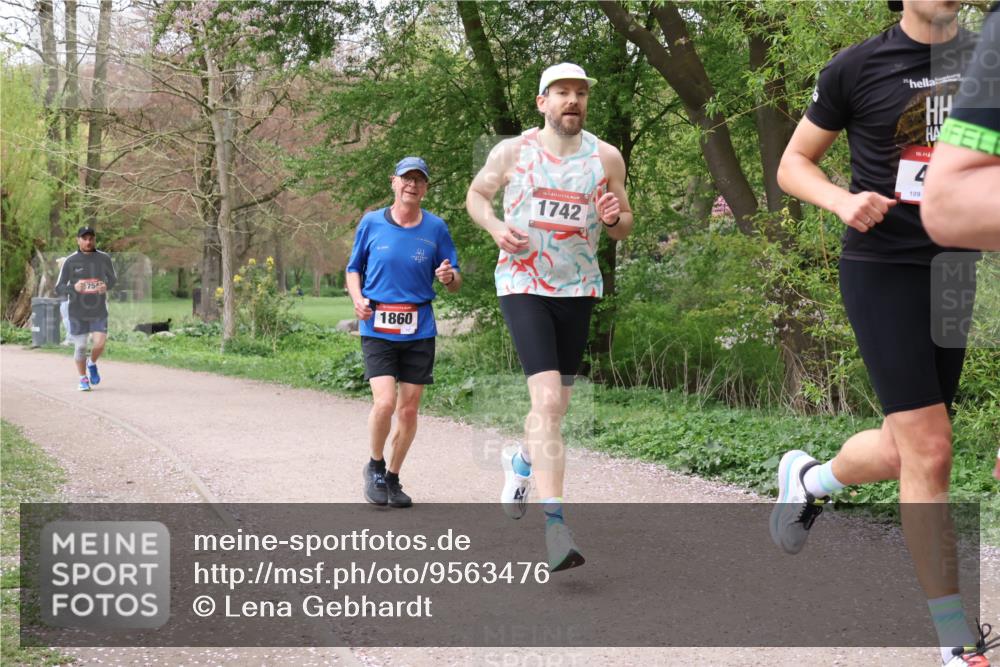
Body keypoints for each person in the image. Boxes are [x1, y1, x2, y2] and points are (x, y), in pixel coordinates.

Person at [773, 2, 994, 665]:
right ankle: (955, 641)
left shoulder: (988, 57)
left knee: (906, 452)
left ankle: (810, 480)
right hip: (882, 268)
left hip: (955, 272)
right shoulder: (856, 67)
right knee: (932, 449)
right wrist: (841, 200)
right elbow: (793, 163)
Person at [466, 63, 633, 572]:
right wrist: (495, 228)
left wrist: (613, 219)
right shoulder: (513, 151)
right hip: (523, 283)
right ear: (543, 102)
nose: (573, 100)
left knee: (555, 407)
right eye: (562, 92)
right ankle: (556, 526)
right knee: (545, 399)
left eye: (580, 93)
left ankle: (521, 460)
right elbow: (476, 196)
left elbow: (624, 223)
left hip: (577, 288)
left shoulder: (605, 156)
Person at [346, 157, 461, 508]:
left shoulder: (436, 228)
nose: (412, 184)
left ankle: (393, 478)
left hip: (418, 327)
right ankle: (375, 467)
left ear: (425, 188)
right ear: (393, 182)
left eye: (419, 180)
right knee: (384, 402)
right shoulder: (371, 222)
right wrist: (357, 299)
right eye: (406, 178)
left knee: (408, 411)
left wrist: (449, 277)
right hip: (377, 324)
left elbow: (454, 279)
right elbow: (353, 269)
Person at [924, 2, 1000, 250]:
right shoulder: (857, 63)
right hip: (883, 247)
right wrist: (841, 201)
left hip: (966, 249)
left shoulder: (981, 47)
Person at [55, 226, 117, 392]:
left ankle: (92, 363)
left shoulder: (104, 258)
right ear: (78, 240)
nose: (88, 242)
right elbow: (59, 287)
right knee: (81, 347)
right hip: (77, 311)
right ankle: (82, 378)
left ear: (94, 240)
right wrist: (74, 287)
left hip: (98, 310)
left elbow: (112, 280)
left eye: (91, 239)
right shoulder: (70, 261)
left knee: (100, 343)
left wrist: (106, 286)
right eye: (85, 238)